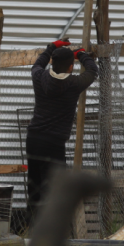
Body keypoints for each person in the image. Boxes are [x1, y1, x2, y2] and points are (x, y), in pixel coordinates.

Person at [26, 39, 98, 221]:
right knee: (56, 189)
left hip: (33, 140)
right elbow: (93, 70)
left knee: (35, 186)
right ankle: (51, 230)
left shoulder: (39, 77)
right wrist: (81, 54)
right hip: (54, 144)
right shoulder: (74, 83)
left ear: (52, 62)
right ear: (70, 67)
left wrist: (52, 47)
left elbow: (38, 63)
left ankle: (30, 228)